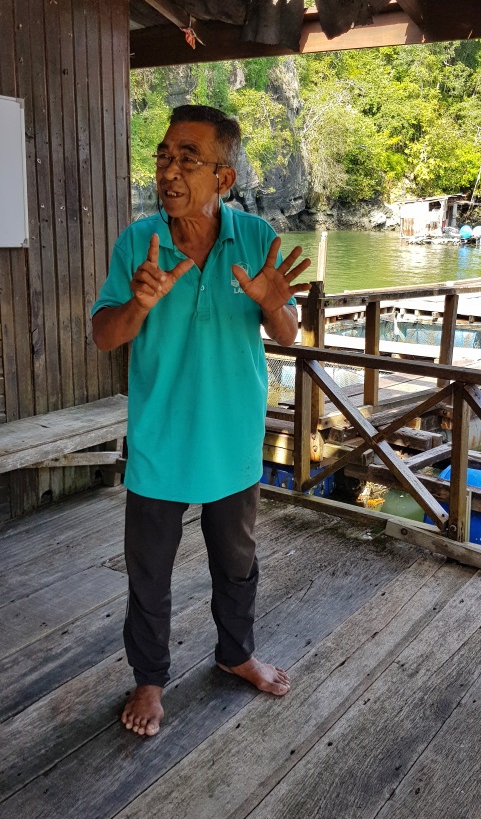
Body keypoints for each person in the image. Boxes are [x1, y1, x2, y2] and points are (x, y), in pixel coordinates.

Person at [91, 105, 311, 737]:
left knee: (237, 562)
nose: (169, 170)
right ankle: (150, 680)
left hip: (234, 438)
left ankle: (235, 653)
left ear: (224, 176)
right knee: (149, 574)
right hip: (160, 440)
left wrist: (274, 306)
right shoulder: (139, 241)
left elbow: (288, 331)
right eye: (164, 156)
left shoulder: (254, 237)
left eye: (189, 158)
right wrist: (137, 304)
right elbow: (105, 336)